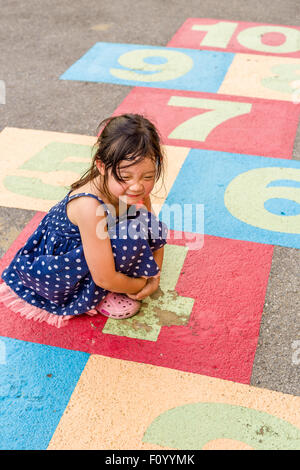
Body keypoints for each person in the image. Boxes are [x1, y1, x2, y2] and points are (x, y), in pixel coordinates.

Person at [0, 114, 168, 328]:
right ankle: (95, 296)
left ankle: (119, 274)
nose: (137, 186)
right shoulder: (89, 207)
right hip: (63, 265)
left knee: (142, 223)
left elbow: (151, 229)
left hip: (100, 246)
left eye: (147, 176)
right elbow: (104, 277)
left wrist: (155, 275)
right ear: (101, 165)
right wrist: (140, 284)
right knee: (128, 240)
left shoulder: (134, 188)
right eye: (125, 177)